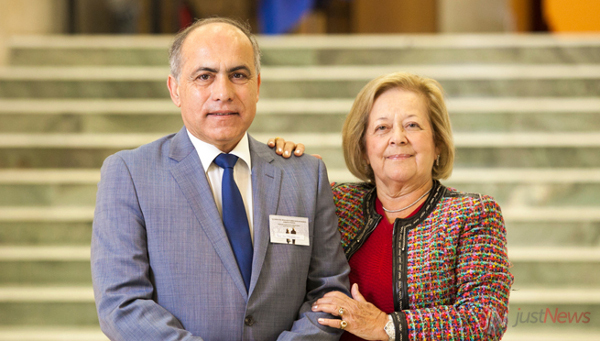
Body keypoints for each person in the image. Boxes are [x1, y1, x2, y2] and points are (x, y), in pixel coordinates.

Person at [91, 17, 350, 341]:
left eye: (238, 75)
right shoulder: (130, 174)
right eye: (204, 76)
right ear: (175, 89)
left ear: (256, 86)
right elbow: (121, 305)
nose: (223, 92)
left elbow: (329, 293)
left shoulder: (304, 175)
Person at [269, 72, 513, 340]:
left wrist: (388, 326)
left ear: (438, 143)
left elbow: (486, 320)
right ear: (363, 147)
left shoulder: (471, 214)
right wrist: (285, 169)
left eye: (412, 125)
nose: (398, 138)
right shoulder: (334, 202)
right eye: (382, 128)